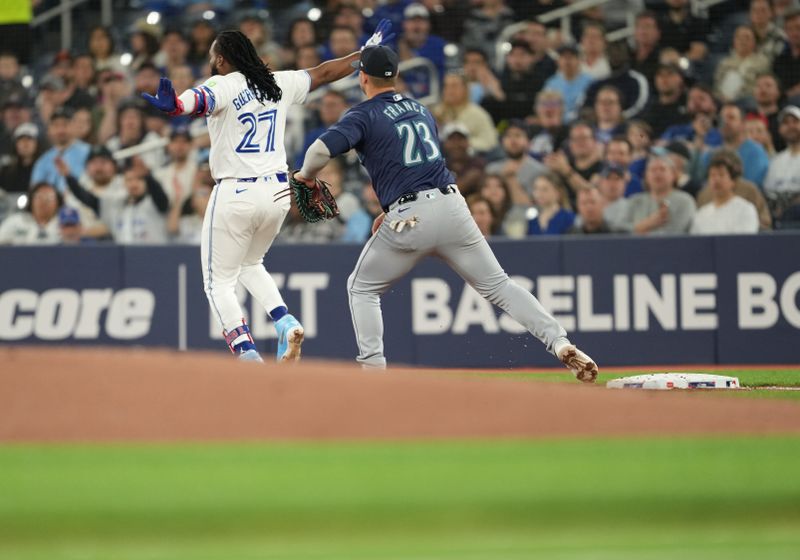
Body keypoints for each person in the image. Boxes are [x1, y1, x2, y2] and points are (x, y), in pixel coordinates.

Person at [294, 44, 597, 380]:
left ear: (362, 76)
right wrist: (389, 206)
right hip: (452, 206)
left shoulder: (363, 114)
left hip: (409, 216)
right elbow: (414, 161)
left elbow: (319, 150)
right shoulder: (422, 110)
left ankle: (373, 371)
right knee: (500, 286)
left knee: (361, 288)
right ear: (394, 76)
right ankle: (559, 342)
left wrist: (305, 176)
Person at [142, 25, 396, 363]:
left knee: (217, 283)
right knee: (250, 262)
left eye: (211, 57)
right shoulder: (276, 81)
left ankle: (247, 353)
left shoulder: (223, 83)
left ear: (221, 59)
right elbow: (325, 73)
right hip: (277, 192)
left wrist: (175, 105)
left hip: (236, 191)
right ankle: (284, 320)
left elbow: (197, 100)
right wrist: (364, 54)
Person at [700, 103, 770, 187]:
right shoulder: (711, 154)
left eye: (731, 118)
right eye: (722, 118)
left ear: (743, 124)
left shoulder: (756, 152)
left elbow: (750, 187)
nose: (725, 122)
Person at [622, 154, 696, 235]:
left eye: (662, 169)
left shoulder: (685, 201)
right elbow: (622, 230)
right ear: (646, 176)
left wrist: (639, 229)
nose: (657, 173)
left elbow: (677, 232)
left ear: (673, 174)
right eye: (653, 170)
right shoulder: (634, 200)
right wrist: (647, 224)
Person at [690, 151, 760, 235]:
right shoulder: (701, 214)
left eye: (721, 175)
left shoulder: (746, 209)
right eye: (712, 175)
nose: (716, 180)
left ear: (733, 181)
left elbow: (745, 241)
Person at [432, 73, 498, 154]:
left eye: (454, 86)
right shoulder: (436, 112)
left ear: (465, 89)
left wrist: (465, 143)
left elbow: (490, 142)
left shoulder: (478, 114)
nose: (449, 90)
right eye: (446, 86)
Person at [30, 108, 91, 193]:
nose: (60, 130)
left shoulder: (89, 153)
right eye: (55, 125)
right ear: (49, 130)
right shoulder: (43, 160)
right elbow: (35, 189)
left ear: (75, 126)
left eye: (65, 124)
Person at [486, 120, 547, 205]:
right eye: (508, 136)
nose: (513, 140)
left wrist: (511, 179)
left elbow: (536, 206)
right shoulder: (491, 169)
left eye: (518, 135)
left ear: (528, 142)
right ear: (502, 142)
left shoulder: (540, 171)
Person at [714, 25, 771, 102]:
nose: (743, 41)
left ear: (755, 42)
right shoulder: (724, 63)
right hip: (722, 101)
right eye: (739, 37)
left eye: (747, 38)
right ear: (734, 41)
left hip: (748, 100)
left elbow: (762, 87)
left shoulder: (762, 63)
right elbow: (716, 86)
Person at [763, 105, 800, 224]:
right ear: (780, 129)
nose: (791, 126)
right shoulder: (775, 161)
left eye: (795, 122)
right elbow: (769, 191)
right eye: (786, 123)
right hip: (779, 214)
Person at [543, 44, 593, 123]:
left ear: (579, 60)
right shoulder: (551, 84)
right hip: (558, 124)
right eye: (563, 57)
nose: (567, 61)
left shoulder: (590, 82)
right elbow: (545, 107)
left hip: (582, 123)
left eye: (571, 57)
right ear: (558, 61)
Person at [0, 122, 41, 194]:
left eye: (29, 139)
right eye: (21, 140)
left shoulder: (43, 168)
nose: (25, 143)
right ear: (16, 144)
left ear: (36, 144)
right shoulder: (7, 170)